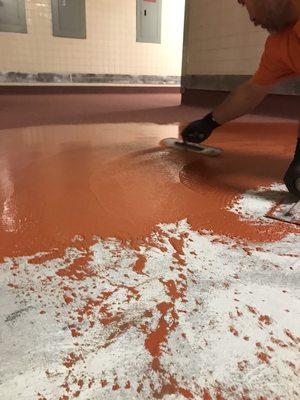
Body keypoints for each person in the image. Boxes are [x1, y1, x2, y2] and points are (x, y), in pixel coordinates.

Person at [181, 0, 300, 199]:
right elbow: (251, 91)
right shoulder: (280, 43)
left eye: (245, 3)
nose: (251, 19)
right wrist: (209, 122)